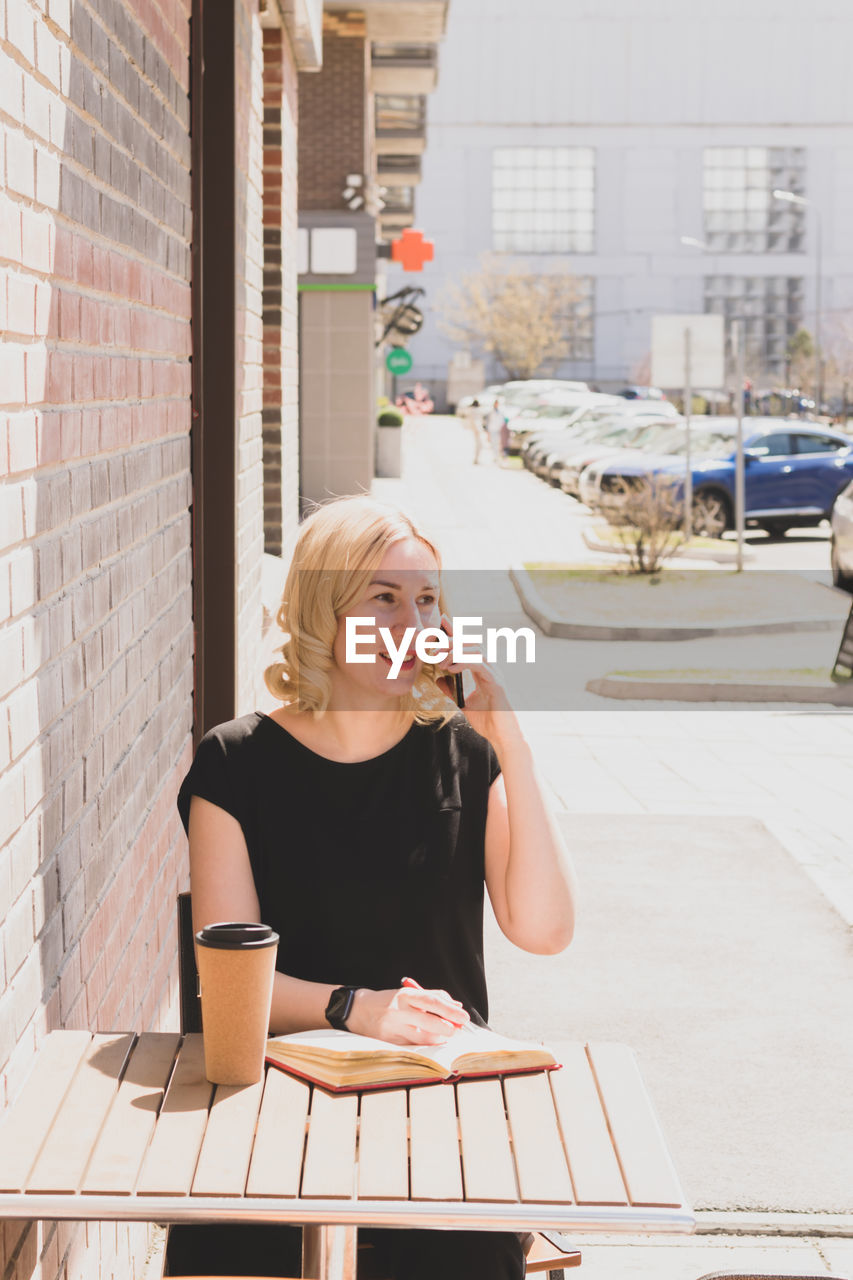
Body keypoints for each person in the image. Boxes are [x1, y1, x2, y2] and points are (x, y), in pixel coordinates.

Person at [166, 495, 578, 1279]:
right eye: (382, 598)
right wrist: (357, 1007)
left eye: (425, 600)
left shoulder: (461, 753)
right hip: (275, 1115)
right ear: (324, 611)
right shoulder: (234, 765)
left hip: (437, 1112)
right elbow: (229, 988)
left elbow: (544, 928)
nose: (411, 622)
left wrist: (511, 745)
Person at [458, 396, 487, 462]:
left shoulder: (473, 410)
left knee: (479, 445)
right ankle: (476, 458)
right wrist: (476, 429)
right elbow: (474, 421)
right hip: (476, 430)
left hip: (476, 429)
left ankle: (476, 458)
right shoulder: (475, 411)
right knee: (479, 444)